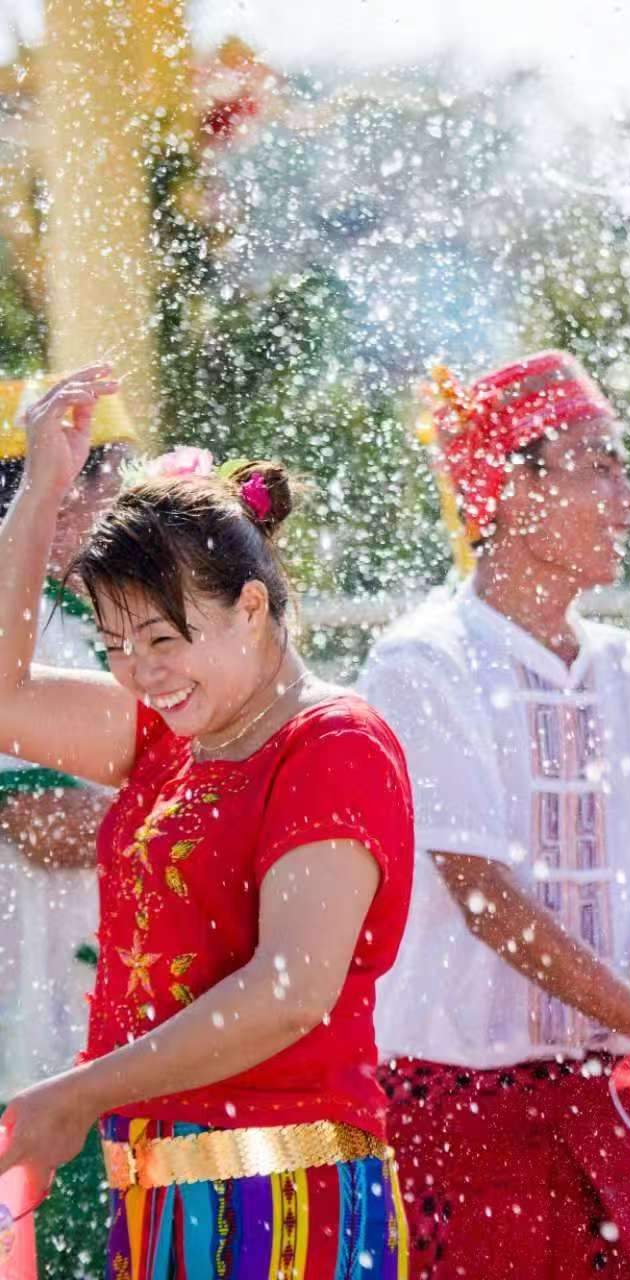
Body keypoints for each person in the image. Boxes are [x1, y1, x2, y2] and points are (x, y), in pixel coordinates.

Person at [0, 365, 416, 1278]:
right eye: (115, 645)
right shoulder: (167, 733)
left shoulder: (333, 744)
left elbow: (291, 990)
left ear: (251, 607)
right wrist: (40, 491)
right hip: (157, 1197)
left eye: (162, 639)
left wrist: (81, 1092)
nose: (140, 671)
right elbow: (4, 694)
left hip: (288, 1200)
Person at [360, 351, 630, 1280]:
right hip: (457, 1112)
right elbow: (485, 900)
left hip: (609, 1101)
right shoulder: (424, 663)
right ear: (509, 490)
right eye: (599, 467)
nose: (627, 501)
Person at [0, 383, 137, 1272]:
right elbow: (43, 824)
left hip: (106, 1038)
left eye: (117, 466)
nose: (112, 491)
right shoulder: (11, 622)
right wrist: (200, 815)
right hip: (30, 1034)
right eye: (91, 471)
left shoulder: (104, 614)